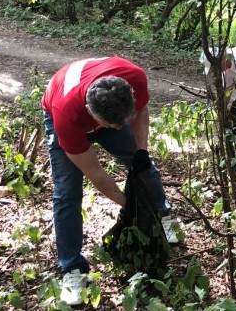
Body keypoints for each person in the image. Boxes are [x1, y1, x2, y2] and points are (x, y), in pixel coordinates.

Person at [42, 56, 179, 306]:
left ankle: (163, 215)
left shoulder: (134, 77)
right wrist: (132, 209)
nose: (119, 129)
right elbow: (96, 174)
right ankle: (72, 269)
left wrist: (141, 153)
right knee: (67, 193)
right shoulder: (67, 115)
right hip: (60, 109)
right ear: (92, 115)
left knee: (144, 167)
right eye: (111, 125)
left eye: (123, 122)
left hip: (104, 106)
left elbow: (140, 114)